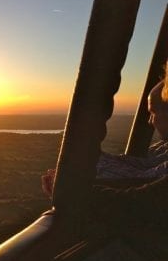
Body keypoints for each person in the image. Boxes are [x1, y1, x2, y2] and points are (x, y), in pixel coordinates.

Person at [42, 66, 168, 215]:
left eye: (153, 112)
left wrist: (70, 188)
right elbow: (141, 166)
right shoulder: (163, 147)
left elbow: (144, 190)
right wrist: (92, 160)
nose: (150, 121)